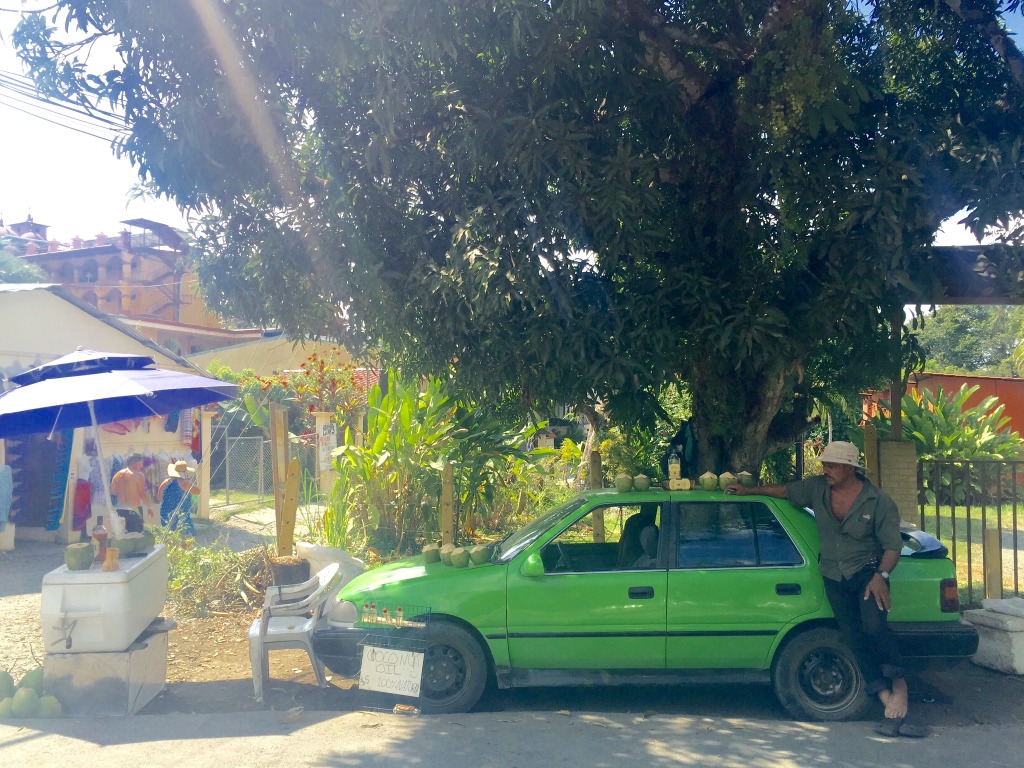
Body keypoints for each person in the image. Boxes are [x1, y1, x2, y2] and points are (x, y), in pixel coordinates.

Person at [726, 441, 927, 738]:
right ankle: (884, 698)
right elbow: (785, 491)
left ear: (849, 468)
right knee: (852, 636)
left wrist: (881, 576)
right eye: (825, 465)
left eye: (831, 466)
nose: (826, 470)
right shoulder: (817, 488)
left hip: (867, 573)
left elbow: (893, 546)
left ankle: (899, 686)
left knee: (874, 628)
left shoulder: (877, 501)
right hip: (834, 575)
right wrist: (749, 491)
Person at [158, 459, 200, 538]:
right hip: (181, 514)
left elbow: (159, 497)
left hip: (165, 513)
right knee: (187, 536)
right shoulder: (185, 483)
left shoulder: (166, 482)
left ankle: (171, 549)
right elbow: (198, 492)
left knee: (169, 536)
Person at [109, 452, 149, 533]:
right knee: (137, 536)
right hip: (134, 509)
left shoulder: (118, 474)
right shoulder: (138, 475)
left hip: (120, 509)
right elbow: (142, 494)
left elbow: (112, 491)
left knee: (123, 535)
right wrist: (149, 506)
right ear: (136, 463)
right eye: (141, 463)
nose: (142, 466)